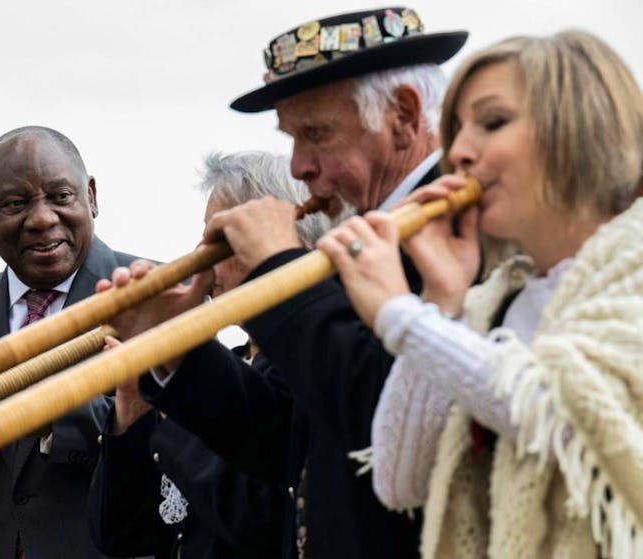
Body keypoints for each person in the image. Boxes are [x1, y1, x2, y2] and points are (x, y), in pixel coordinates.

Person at [98, 8, 468, 558]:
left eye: (316, 134)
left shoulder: (462, 228)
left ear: (403, 116)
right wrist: (178, 345)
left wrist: (278, 271)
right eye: (291, 138)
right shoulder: (366, 230)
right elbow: (290, 440)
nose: (298, 168)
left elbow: (380, 419)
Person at [318, 30, 643, 558]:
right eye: (457, 129)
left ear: (581, 127)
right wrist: (441, 300)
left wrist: (400, 316)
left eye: (492, 123)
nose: (461, 152)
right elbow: (398, 480)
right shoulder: (497, 297)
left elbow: (568, 417)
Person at [0, 126, 143, 558]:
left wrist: (35, 402)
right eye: (16, 203)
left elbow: (170, 460)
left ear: (90, 196)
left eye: (60, 196)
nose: (41, 219)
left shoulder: (154, 297)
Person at [88, 151, 336, 558]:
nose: (202, 259)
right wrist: (130, 410)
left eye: (221, 242)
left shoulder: (307, 367)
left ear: (286, 243)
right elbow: (119, 534)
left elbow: (262, 518)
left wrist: (180, 396)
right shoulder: (231, 367)